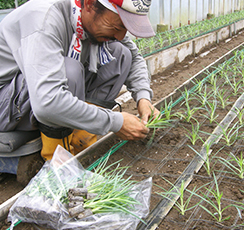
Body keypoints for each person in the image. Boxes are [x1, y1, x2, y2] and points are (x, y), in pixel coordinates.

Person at [0, 0, 159, 183]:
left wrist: (143, 98)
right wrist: (114, 122)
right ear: (90, 5)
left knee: (120, 54)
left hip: (29, 99)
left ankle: (80, 141)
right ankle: (58, 165)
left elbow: (134, 57)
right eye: (117, 26)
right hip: (5, 104)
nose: (121, 34)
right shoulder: (44, 18)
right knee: (70, 71)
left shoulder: (95, 18)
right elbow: (47, 102)